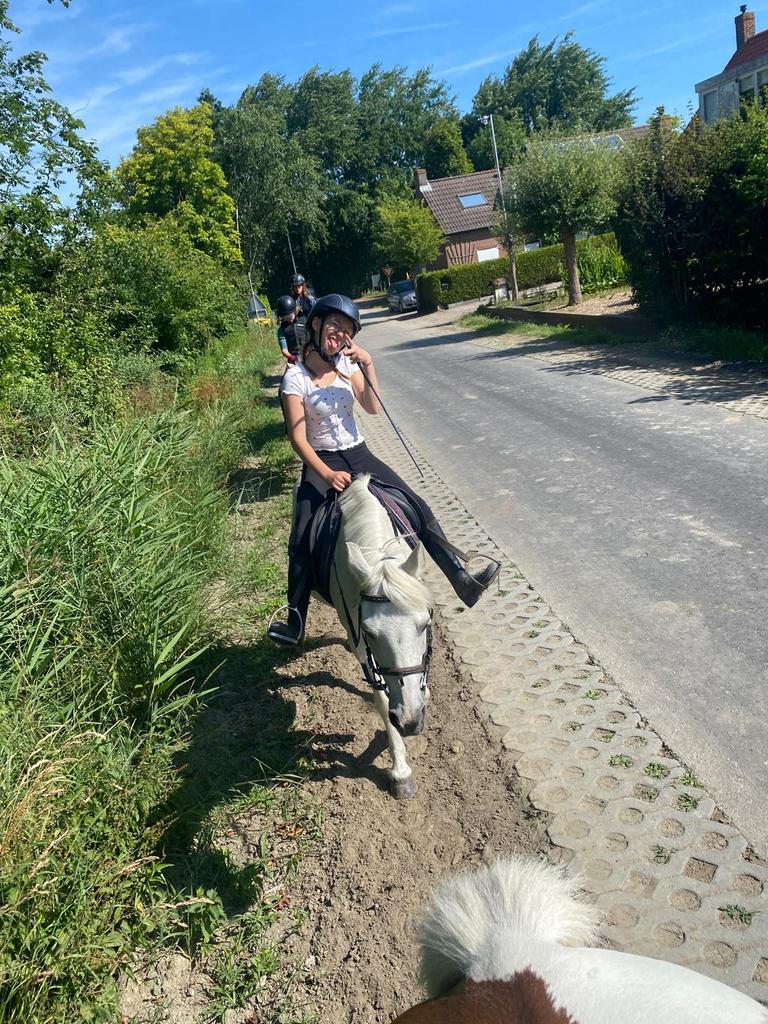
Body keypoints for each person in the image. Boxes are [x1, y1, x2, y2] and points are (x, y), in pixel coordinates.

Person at [267, 293, 501, 647]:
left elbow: (373, 407)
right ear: (315, 324)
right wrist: (326, 475)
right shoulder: (295, 379)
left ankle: (461, 580)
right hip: (320, 462)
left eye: (347, 331)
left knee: (415, 503)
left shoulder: (347, 367)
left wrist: (369, 364)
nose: (340, 334)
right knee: (300, 538)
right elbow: (298, 439)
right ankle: (295, 622)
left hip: (358, 454)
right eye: (335, 326)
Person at [275, 295, 306, 363]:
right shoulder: (282, 330)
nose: (289, 319)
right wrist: (292, 358)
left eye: (290, 316)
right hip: (294, 358)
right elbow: (284, 350)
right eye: (285, 318)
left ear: (295, 311)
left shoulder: (304, 321)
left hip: (308, 354)